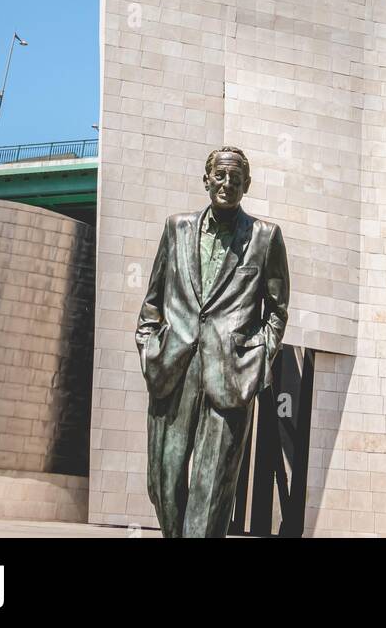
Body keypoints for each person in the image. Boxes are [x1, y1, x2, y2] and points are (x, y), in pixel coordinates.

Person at [135, 146, 290, 538]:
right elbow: (152, 301)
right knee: (163, 483)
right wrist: (149, 345)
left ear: (246, 185)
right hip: (174, 370)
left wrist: (256, 357)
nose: (227, 184)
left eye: (235, 178)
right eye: (220, 176)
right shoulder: (177, 228)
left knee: (210, 494)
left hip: (230, 376)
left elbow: (276, 309)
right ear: (207, 180)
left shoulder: (265, 237)